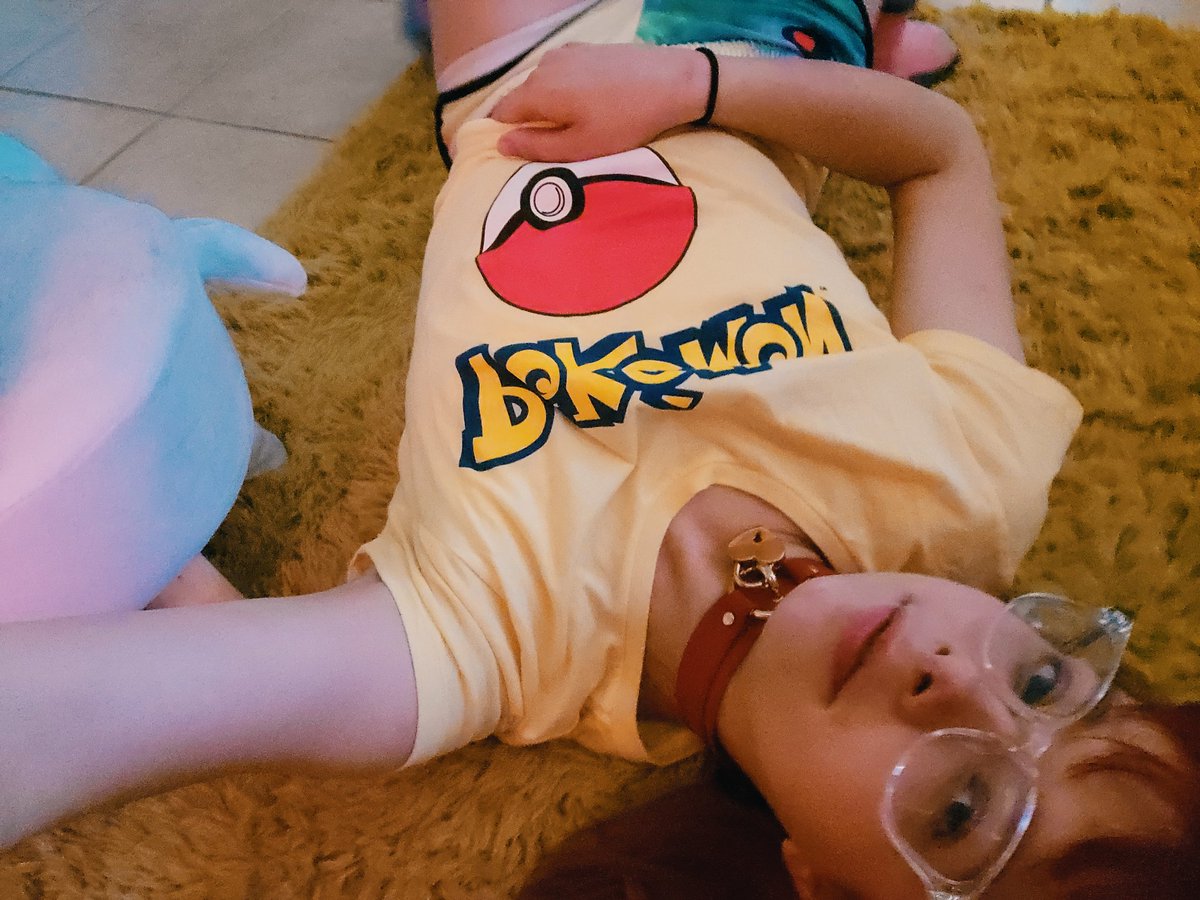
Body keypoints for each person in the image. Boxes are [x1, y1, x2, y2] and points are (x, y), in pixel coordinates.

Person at [0, 1, 1196, 898]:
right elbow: (939, 153)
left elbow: (62, 713)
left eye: (963, 810)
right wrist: (697, 82)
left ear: (820, 885)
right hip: (770, 45)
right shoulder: (971, 478)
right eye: (1045, 687)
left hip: (538, 52)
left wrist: (146, 540)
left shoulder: (472, 644)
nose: (958, 678)